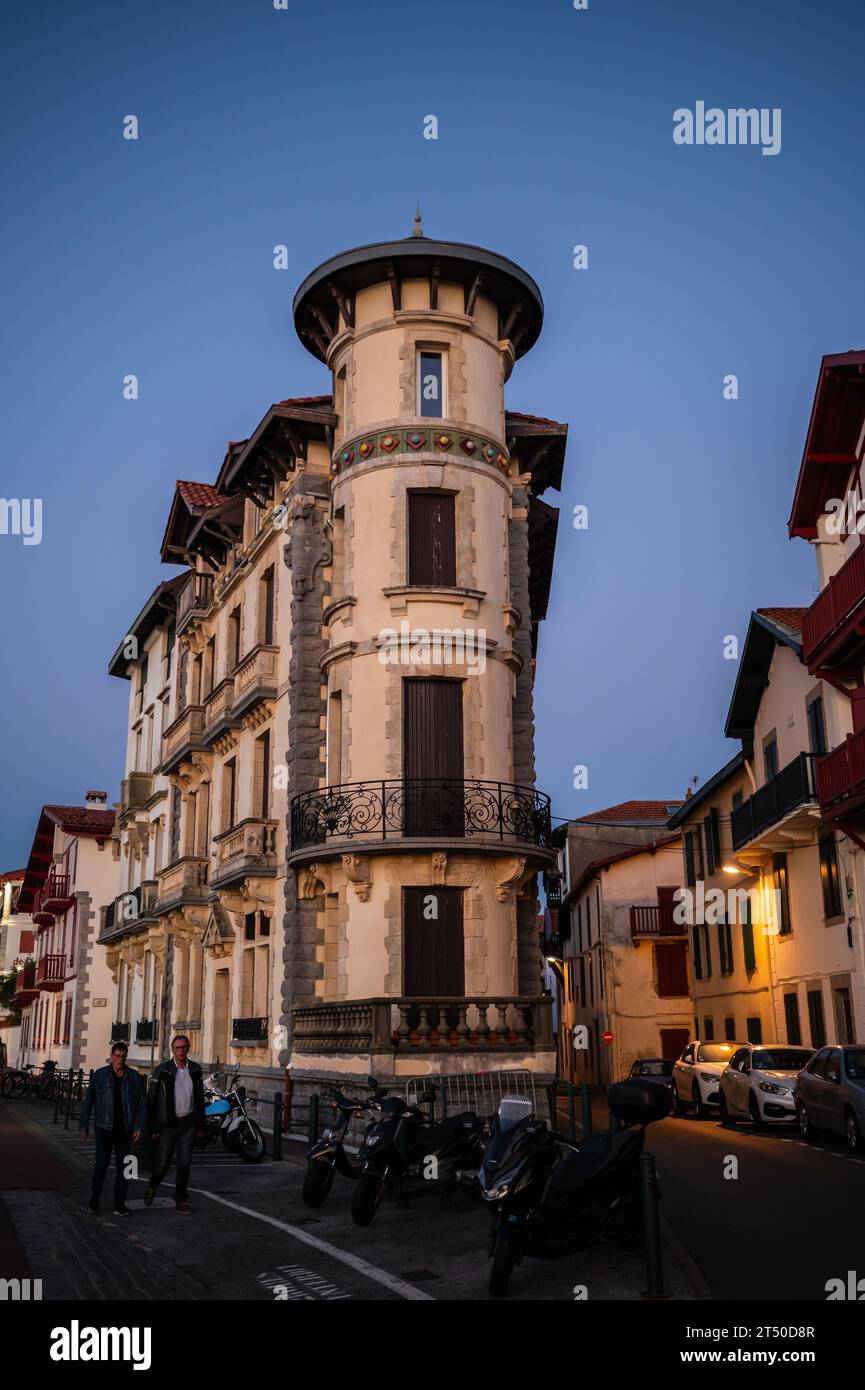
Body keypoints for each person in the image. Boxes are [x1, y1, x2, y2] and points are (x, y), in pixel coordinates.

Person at [78, 1041, 146, 1216]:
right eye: (117, 1056)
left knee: (126, 1168)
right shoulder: (100, 1076)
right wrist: (83, 1126)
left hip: (125, 1129)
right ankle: (94, 1198)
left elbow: (141, 1105)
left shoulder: (135, 1077)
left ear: (126, 1057)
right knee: (101, 1165)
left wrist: (139, 1126)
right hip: (104, 1128)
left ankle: (120, 1203)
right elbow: (88, 1102)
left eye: (123, 1057)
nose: (120, 1060)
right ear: (111, 1055)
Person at [144, 1034, 206, 1214]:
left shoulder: (195, 1069)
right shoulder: (163, 1070)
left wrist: (200, 1125)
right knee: (163, 1163)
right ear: (173, 1050)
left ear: (188, 1048)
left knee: (185, 1163)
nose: (181, 1051)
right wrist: (154, 1127)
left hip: (188, 1123)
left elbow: (199, 1099)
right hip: (168, 1124)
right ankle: (152, 1185)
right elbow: (152, 1099)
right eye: (178, 1048)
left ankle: (181, 1200)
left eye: (184, 1047)